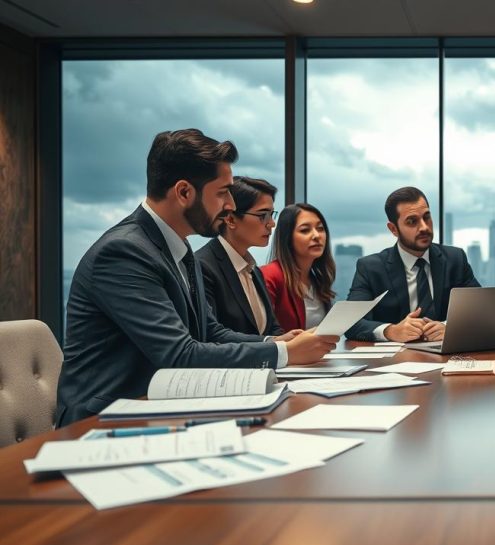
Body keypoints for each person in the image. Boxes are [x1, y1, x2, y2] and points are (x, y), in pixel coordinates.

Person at [56, 129, 337, 426]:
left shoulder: (180, 248)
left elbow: (210, 332)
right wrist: (283, 353)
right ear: (184, 193)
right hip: (103, 420)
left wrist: (275, 340)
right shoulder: (123, 252)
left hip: (162, 409)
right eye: (222, 192)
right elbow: (179, 354)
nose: (230, 204)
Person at [345, 186, 480, 342]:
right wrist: (391, 331)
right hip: (394, 361)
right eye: (412, 221)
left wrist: (449, 328)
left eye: (427, 217)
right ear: (393, 229)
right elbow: (350, 323)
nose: (424, 227)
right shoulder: (370, 268)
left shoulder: (455, 259)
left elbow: (480, 310)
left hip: (447, 356)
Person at [196, 176, 289, 337]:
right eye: (262, 215)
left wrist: (292, 340)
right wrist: (275, 344)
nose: (271, 224)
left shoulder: (253, 270)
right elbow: (212, 335)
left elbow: (271, 328)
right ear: (230, 219)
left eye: (271, 214)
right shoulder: (203, 266)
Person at [261, 203, 336, 331]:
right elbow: (264, 334)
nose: (317, 236)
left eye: (320, 228)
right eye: (305, 230)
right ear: (287, 237)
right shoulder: (269, 276)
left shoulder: (316, 280)